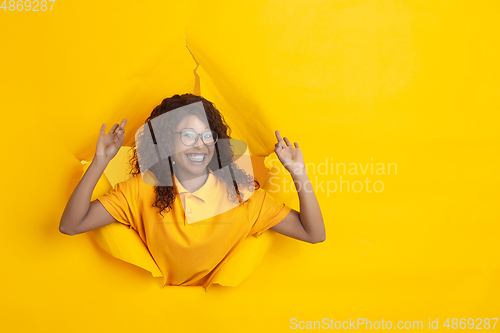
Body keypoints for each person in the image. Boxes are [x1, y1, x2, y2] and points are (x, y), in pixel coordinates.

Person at [59, 93, 325, 289]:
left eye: (206, 136)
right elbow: (71, 225)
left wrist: (298, 173)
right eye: (187, 136)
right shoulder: (140, 191)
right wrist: (100, 163)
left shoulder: (241, 197)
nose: (199, 146)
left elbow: (313, 233)